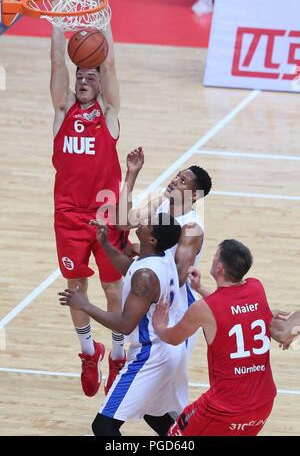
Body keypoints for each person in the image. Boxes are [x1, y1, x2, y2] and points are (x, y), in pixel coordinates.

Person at [50, 0, 126, 397]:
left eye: (90, 75)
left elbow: (109, 61)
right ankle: (87, 352)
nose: (84, 79)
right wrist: (55, 23)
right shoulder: (62, 114)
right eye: (80, 74)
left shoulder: (110, 115)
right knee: (75, 287)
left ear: (99, 82)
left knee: (113, 289)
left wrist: (104, 14)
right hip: (67, 214)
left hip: (105, 215)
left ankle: (116, 355)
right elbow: (56, 65)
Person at [58, 213, 188, 436]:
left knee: (103, 426)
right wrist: (105, 244)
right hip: (169, 349)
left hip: (150, 354)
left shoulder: (145, 276)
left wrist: (84, 305)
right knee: (154, 414)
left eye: (148, 224)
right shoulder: (161, 257)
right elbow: (131, 271)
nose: (143, 221)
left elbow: (125, 325)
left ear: (152, 239)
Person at [153, 239, 279, 436]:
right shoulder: (256, 289)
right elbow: (230, 310)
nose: (212, 259)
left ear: (219, 267)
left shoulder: (202, 309)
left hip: (223, 409)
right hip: (262, 405)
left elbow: (173, 338)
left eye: (215, 256)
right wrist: (200, 288)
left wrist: (159, 325)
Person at [117, 147, 212, 353]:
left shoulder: (191, 228)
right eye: (177, 176)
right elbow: (123, 223)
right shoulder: (160, 203)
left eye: (183, 181)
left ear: (194, 195)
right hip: (151, 294)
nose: (175, 181)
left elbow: (177, 278)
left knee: (165, 375)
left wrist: (139, 248)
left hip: (175, 309)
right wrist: (131, 174)